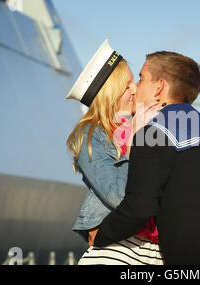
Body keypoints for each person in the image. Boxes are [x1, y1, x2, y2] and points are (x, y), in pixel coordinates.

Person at [92, 51, 200, 265]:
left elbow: (140, 207)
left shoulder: (152, 134)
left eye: (141, 78)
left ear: (159, 87)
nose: (135, 87)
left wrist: (102, 235)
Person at [66, 40, 164, 265]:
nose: (135, 89)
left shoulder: (146, 125)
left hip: (154, 248)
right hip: (117, 248)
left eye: (134, 82)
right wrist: (134, 141)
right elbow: (119, 196)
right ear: (110, 92)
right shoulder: (91, 135)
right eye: (127, 84)